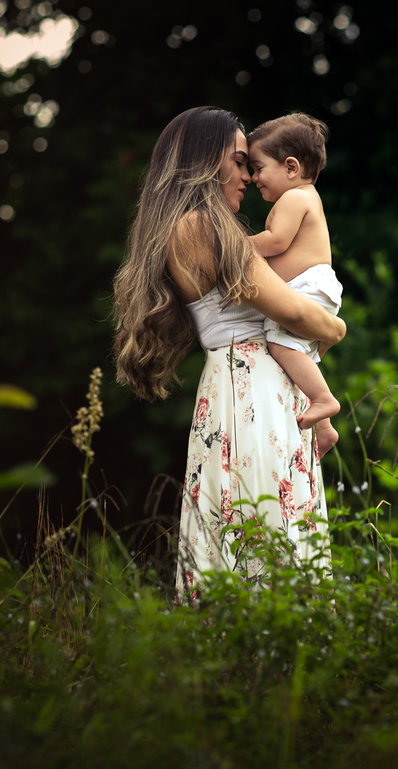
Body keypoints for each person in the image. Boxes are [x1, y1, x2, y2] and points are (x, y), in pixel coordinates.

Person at [112, 107, 346, 601]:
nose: (247, 174)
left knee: (254, 527)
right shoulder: (203, 226)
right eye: (240, 161)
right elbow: (297, 314)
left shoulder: (195, 227)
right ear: (205, 159)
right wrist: (336, 325)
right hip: (250, 389)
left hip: (253, 385)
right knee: (262, 530)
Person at [246, 113, 342, 456]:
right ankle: (325, 428)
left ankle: (323, 400)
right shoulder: (304, 196)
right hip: (313, 288)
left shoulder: (295, 198)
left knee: (280, 346)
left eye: (258, 168)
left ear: (290, 167)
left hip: (308, 288)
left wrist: (236, 245)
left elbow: (275, 242)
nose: (253, 177)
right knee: (300, 355)